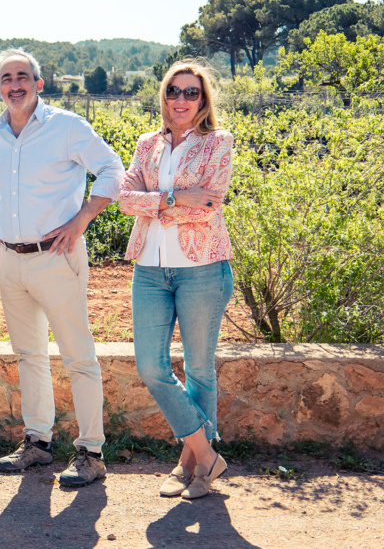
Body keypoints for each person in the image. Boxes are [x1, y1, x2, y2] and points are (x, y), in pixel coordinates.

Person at [0, 48, 125, 486]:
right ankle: (38, 444)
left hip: (57, 258)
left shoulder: (67, 127)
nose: (15, 84)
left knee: (78, 356)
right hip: (12, 260)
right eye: (7, 77)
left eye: (23, 76)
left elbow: (112, 170)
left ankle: (91, 452)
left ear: (38, 83)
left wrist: (81, 221)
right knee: (29, 355)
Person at [118, 60, 234, 499]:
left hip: (202, 268)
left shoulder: (218, 142)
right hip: (149, 269)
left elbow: (207, 203)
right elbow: (125, 200)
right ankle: (206, 454)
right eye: (174, 91)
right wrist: (173, 196)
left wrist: (158, 201)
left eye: (191, 92)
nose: (181, 100)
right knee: (151, 366)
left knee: (200, 370)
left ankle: (192, 465)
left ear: (203, 100)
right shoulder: (147, 144)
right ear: (163, 96)